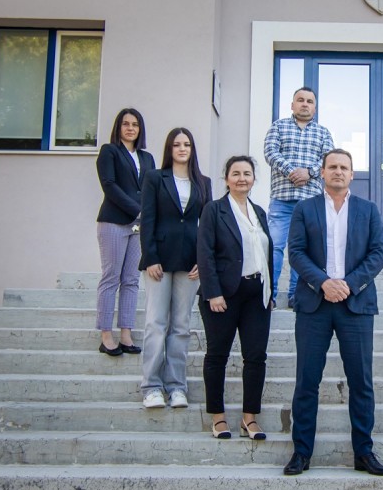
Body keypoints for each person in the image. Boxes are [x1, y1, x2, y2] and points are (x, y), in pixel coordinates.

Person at [283, 149, 383, 476]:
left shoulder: (368, 210)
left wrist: (348, 284)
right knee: (307, 381)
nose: (338, 171)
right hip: (314, 304)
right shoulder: (305, 209)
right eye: (332, 167)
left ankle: (364, 452)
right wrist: (323, 283)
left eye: (344, 167)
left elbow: (378, 254)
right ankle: (301, 452)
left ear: (352, 174)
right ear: (323, 172)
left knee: (361, 382)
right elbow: (296, 252)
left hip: (355, 305)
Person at [197, 156, 273, 440]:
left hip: (257, 295)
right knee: (217, 355)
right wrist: (213, 292)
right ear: (226, 178)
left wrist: (270, 292)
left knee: (256, 357)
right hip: (224, 295)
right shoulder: (213, 210)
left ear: (254, 179)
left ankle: (249, 419)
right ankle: (218, 417)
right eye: (236, 173)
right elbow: (204, 252)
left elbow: (266, 253)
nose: (242, 178)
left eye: (247, 173)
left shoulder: (259, 211)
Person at [139, 128, 211, 408]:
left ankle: (177, 386)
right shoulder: (155, 178)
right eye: (177, 144)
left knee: (181, 326)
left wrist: (202, 261)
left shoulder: (203, 182)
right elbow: (148, 219)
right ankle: (152, 387)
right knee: (156, 323)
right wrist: (150, 257)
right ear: (169, 148)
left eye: (187, 144)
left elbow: (207, 226)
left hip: (190, 262)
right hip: (159, 259)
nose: (182, 149)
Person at [264, 87, 334, 308]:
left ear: (315, 107)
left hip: (310, 202)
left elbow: (328, 160)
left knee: (302, 249)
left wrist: (309, 172)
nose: (305, 104)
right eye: (300, 100)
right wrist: (292, 172)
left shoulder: (323, 133)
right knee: (274, 247)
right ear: (292, 105)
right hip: (281, 200)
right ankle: (269, 295)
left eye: (309, 101)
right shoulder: (278, 127)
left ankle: (296, 295)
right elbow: (270, 153)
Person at [95, 108, 155, 357]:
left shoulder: (147, 157)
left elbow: (152, 188)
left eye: (135, 124)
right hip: (114, 221)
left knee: (131, 279)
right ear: (118, 127)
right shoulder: (109, 151)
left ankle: (126, 334)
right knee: (111, 277)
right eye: (126, 124)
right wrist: (137, 210)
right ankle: (106, 335)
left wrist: (149, 215)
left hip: (139, 226)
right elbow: (109, 185)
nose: (131, 128)